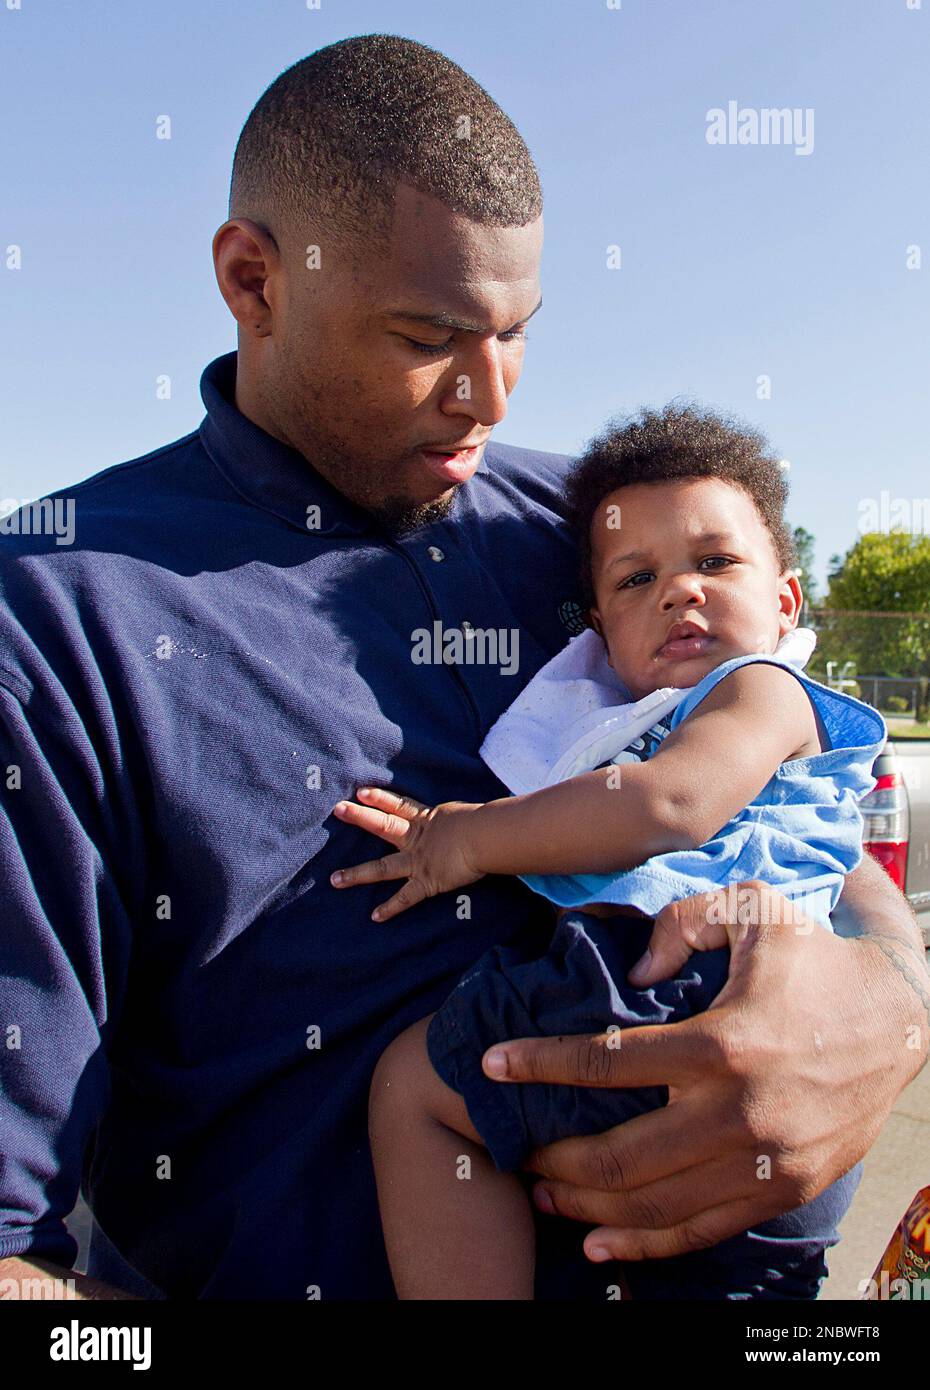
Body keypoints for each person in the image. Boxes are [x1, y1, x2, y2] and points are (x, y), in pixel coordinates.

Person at [0, 36, 926, 1303]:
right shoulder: (53, 625)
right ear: (252, 279)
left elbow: (816, 787)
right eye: (430, 335)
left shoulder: (613, 534)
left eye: (519, 333)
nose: (488, 398)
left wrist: (888, 1011)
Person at [331, 404, 887, 1299]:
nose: (680, 590)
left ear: (785, 601)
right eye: (638, 580)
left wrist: (463, 838)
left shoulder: (763, 689)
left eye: (715, 562)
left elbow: (671, 803)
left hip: (703, 992)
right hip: (731, 1055)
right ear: (598, 631)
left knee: (415, 1092)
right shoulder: (636, 715)